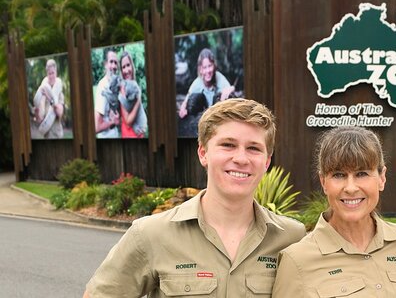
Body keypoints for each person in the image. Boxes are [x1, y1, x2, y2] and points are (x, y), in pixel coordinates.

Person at [84, 98, 306, 297]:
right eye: (228, 145)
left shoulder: (292, 239)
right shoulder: (150, 235)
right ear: (203, 153)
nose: (241, 158)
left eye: (254, 148)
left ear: (266, 162)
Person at [272, 126, 396, 297]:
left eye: (362, 173)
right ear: (323, 182)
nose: (350, 188)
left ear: (382, 178)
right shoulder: (297, 260)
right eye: (339, 175)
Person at [179, 48, 235, 120]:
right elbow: (187, 98)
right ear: (200, 69)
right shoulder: (197, 82)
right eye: (204, 67)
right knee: (194, 99)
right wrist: (183, 108)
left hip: (217, 115)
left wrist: (228, 90)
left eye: (210, 66)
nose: (207, 71)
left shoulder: (219, 77)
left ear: (214, 66)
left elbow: (231, 88)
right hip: (202, 114)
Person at [32, 58, 65, 138]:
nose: (51, 76)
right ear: (47, 74)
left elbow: (59, 113)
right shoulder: (42, 92)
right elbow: (39, 120)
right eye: (49, 74)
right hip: (47, 137)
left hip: (57, 136)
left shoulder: (59, 93)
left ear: (56, 73)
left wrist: (50, 98)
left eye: (53, 73)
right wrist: (36, 113)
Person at [118, 51, 147, 138]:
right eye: (123, 67)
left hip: (139, 132)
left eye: (128, 65)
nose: (126, 70)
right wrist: (138, 100)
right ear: (121, 70)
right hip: (130, 134)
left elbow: (139, 111)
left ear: (132, 65)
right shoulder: (122, 88)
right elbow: (128, 121)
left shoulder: (133, 83)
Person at [94, 48, 121, 138]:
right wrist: (114, 122)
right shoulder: (102, 86)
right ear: (105, 64)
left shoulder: (115, 83)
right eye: (111, 62)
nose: (114, 66)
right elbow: (96, 127)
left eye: (116, 62)